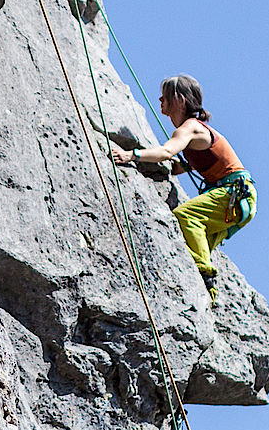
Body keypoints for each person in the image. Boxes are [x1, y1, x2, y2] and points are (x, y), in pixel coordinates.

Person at [109, 75, 255, 304]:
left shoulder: (190, 129)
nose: (160, 99)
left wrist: (132, 155)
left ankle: (205, 273)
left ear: (179, 100)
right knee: (200, 242)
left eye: (165, 94)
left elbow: (167, 152)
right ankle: (208, 292)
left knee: (186, 216)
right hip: (238, 199)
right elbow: (182, 165)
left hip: (232, 193)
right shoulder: (197, 131)